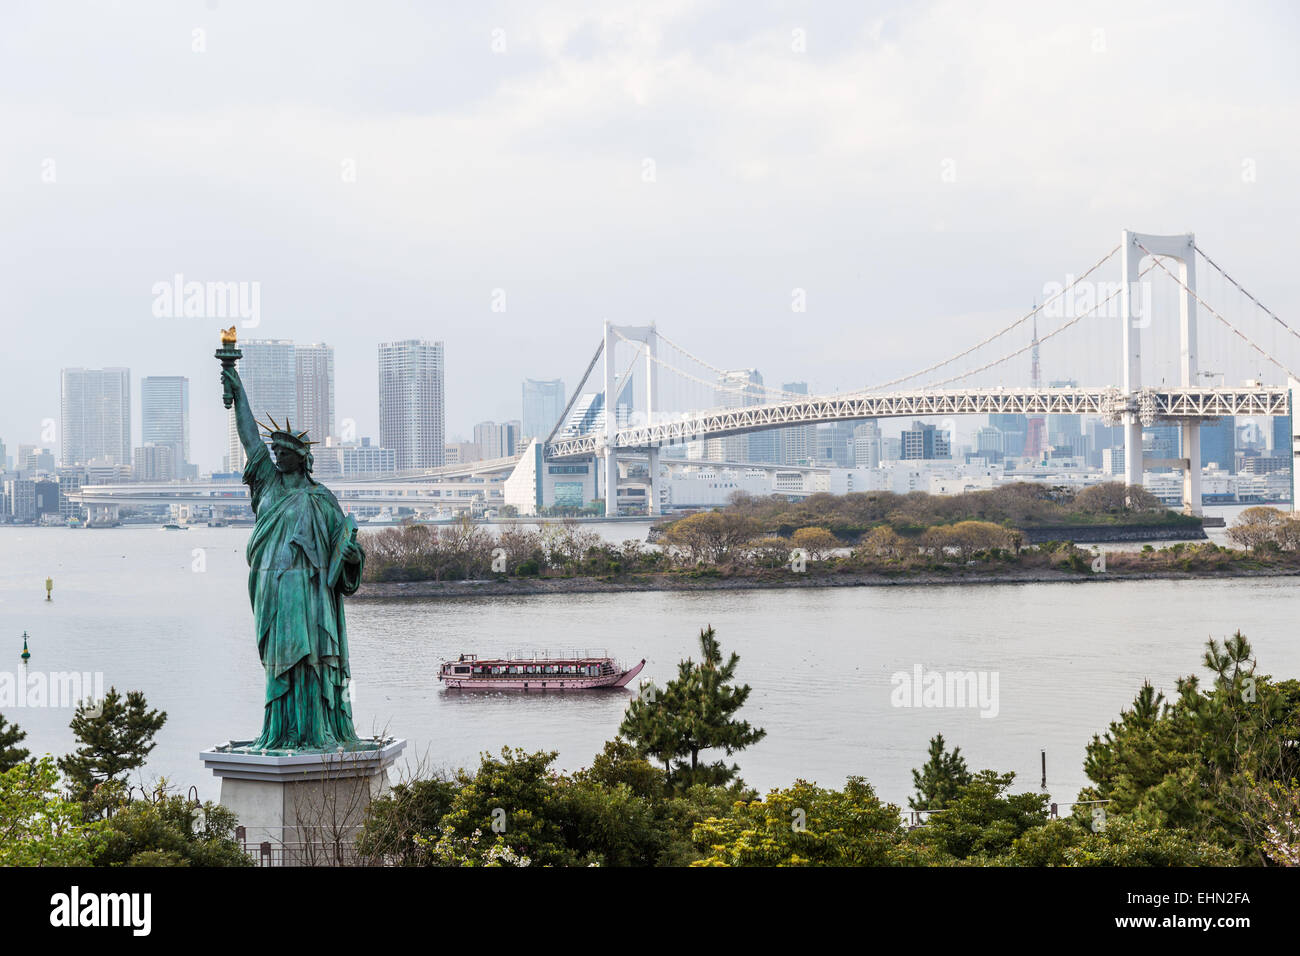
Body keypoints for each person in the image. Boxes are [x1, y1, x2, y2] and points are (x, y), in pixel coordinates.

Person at [223, 365, 365, 751]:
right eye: (276, 452)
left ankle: (313, 730)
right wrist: (237, 391)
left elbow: (346, 551)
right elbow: (250, 438)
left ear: (302, 458)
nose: (277, 457)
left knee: (311, 659)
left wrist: (351, 557)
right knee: (279, 660)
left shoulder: (322, 500)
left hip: (310, 591)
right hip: (271, 588)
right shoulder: (267, 484)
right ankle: (281, 730)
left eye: (285, 453)